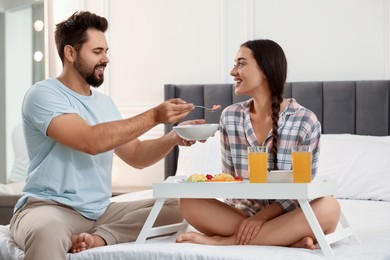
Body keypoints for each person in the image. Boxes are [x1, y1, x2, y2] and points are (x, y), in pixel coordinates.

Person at [10, 11, 201, 260]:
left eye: (106, 51)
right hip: (49, 208)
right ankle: (72, 235)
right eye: (97, 52)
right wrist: (155, 116)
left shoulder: (105, 104)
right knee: (47, 231)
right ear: (70, 53)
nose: (106, 59)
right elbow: (90, 141)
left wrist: (174, 137)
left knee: (178, 206)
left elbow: (136, 155)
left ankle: (98, 239)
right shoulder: (44, 95)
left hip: (99, 213)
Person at [176, 39, 340, 249]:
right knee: (188, 202)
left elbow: (304, 186)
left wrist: (261, 218)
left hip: (291, 214)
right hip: (242, 215)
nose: (233, 71)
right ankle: (285, 239)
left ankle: (227, 242)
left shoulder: (305, 120)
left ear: (265, 69)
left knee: (329, 207)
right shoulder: (230, 117)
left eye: (241, 64)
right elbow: (231, 182)